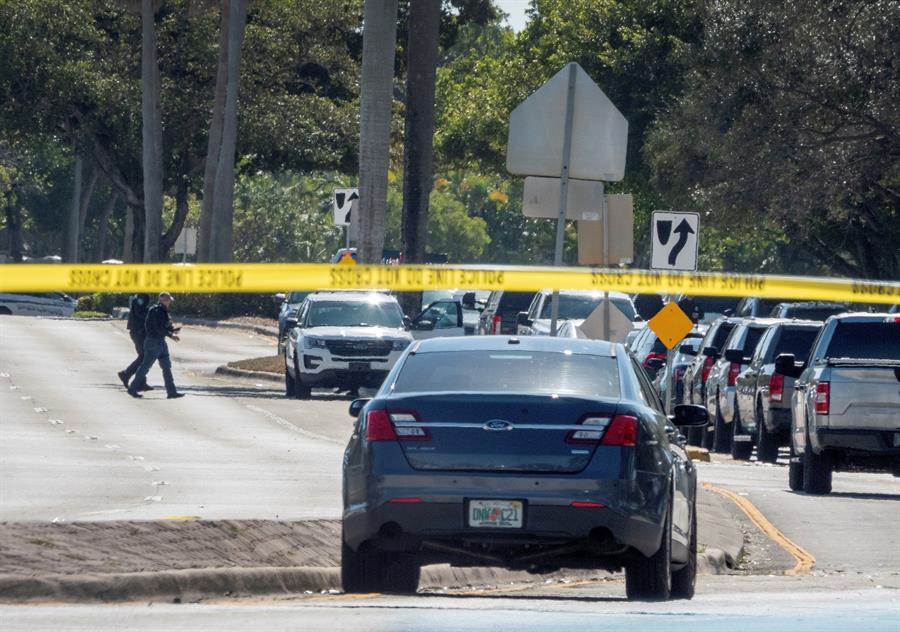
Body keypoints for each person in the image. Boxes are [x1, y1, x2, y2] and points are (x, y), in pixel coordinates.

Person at [127, 292, 184, 399]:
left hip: (160, 342)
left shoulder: (162, 311)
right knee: (145, 367)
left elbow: (163, 326)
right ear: (163, 300)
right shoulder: (156, 311)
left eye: (169, 300)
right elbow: (158, 328)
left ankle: (171, 392)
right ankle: (132, 388)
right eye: (168, 300)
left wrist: (172, 330)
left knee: (167, 367)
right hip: (153, 343)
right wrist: (171, 335)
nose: (169, 302)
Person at [118, 293, 152, 391]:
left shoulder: (143, 296)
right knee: (144, 356)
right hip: (138, 331)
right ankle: (126, 374)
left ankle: (141, 382)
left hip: (141, 331)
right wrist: (151, 315)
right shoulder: (140, 298)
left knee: (144, 357)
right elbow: (139, 313)